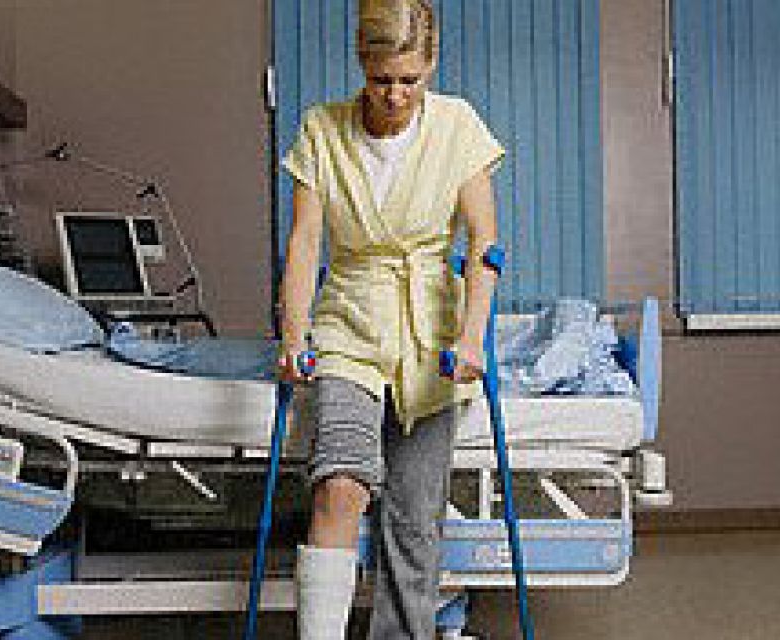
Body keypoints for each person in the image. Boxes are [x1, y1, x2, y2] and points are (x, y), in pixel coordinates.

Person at [277, 0, 503, 637]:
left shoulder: (459, 126)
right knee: (339, 485)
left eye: (410, 80)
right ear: (361, 63)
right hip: (348, 327)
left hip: (433, 337)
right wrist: (293, 337)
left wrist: (472, 337)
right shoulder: (322, 129)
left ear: (431, 64)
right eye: (381, 80)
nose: (396, 95)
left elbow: (484, 242)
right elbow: (305, 243)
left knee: (413, 519)